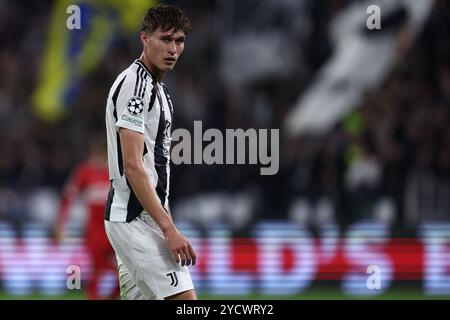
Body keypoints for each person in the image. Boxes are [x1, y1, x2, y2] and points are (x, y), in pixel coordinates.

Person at [104, 4, 197, 300]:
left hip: (143, 219)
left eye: (179, 41)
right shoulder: (136, 86)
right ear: (145, 38)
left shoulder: (159, 91)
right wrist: (168, 230)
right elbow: (132, 166)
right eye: (165, 39)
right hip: (134, 220)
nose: (173, 48)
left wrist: (166, 221)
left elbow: (153, 170)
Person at [54, 133, 119, 300]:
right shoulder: (85, 172)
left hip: (117, 229)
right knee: (99, 270)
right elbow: (67, 197)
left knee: (125, 270)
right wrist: (60, 224)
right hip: (95, 232)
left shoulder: (118, 171)